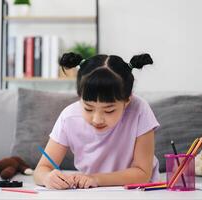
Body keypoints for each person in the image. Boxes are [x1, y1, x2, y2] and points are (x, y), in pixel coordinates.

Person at [34, 52, 160, 190]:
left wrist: (95, 179)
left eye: (109, 110)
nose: (97, 119)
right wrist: (47, 177)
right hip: (92, 191)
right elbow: (41, 169)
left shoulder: (139, 110)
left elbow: (143, 173)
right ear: (79, 97)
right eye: (88, 108)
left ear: (127, 100)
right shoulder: (69, 118)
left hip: (137, 191)